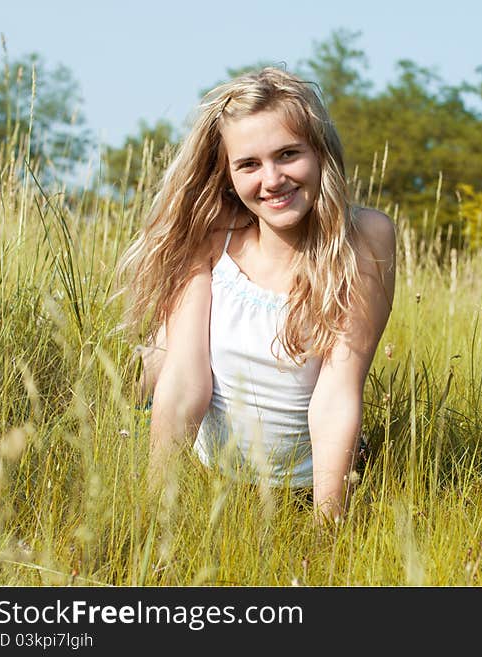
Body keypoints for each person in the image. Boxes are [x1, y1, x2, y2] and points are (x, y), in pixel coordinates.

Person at [119, 67, 396, 522]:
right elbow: (188, 384)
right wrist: (153, 513)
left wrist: (329, 526)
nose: (272, 180)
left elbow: (338, 390)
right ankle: (146, 364)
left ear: (320, 153)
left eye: (288, 154)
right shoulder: (210, 240)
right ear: (228, 174)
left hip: (306, 481)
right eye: (249, 164)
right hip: (217, 478)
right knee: (165, 361)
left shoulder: (365, 237)